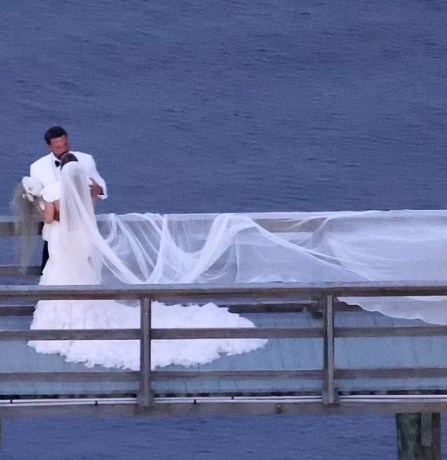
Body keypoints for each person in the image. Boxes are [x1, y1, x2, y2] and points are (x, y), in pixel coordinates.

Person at [27, 157, 267, 370]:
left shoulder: (52, 192)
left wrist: (35, 201)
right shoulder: (84, 191)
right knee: (82, 278)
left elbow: (48, 218)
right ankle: (82, 318)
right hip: (82, 242)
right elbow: (90, 206)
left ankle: (62, 325)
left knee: (60, 278)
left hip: (62, 243)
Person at [29, 126, 107, 272]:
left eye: (66, 145)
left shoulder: (86, 160)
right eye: (58, 147)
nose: (64, 149)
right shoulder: (37, 167)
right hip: (54, 237)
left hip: (81, 235)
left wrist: (96, 190)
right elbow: (42, 201)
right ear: (49, 147)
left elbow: (101, 189)